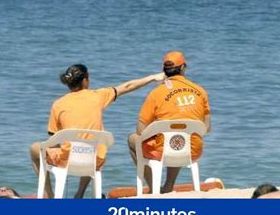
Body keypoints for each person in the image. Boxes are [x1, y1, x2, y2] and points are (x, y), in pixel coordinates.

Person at [30, 64, 165, 198]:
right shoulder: (98, 96)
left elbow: (53, 142)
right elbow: (127, 86)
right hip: (94, 160)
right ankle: (80, 193)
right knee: (91, 146)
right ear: (85, 81)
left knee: (34, 149)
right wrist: (152, 78)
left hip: (67, 160)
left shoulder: (58, 104)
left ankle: (50, 195)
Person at [128, 51, 211, 194]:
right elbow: (207, 127)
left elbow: (140, 131)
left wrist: (158, 128)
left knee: (132, 139)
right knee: (180, 136)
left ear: (164, 71)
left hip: (164, 151)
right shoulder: (200, 91)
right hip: (193, 151)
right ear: (183, 68)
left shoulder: (156, 93)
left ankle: (154, 188)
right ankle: (169, 185)